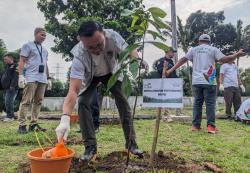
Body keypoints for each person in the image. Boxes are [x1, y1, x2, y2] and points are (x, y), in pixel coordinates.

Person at [55, 21, 147, 161]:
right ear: (82, 42)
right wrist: (65, 118)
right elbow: (73, 89)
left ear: (104, 34)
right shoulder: (79, 54)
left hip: (111, 72)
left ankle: (131, 144)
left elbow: (129, 50)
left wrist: (138, 60)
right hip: (90, 76)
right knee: (83, 101)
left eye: (99, 44)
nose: (96, 50)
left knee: (122, 101)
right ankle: (90, 148)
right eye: (90, 47)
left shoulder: (113, 36)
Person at [167, 34, 245, 134]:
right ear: (209, 42)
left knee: (197, 103)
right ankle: (211, 127)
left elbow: (183, 60)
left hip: (196, 81)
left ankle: (195, 126)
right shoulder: (213, 49)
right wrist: (237, 54)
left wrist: (170, 70)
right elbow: (224, 59)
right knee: (210, 104)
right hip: (209, 81)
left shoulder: (193, 50)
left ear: (199, 41)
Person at [17, 27, 52, 134]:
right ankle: (22, 125)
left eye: (45, 35)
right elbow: (22, 60)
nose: (44, 37)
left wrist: (49, 78)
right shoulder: (27, 46)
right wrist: (21, 75)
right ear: (35, 34)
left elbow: (45, 64)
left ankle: (33, 123)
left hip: (42, 79)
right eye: (42, 35)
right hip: (31, 77)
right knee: (26, 101)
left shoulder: (45, 50)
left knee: (38, 101)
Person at [1, 53, 19, 122]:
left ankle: (10, 117)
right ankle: (9, 115)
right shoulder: (7, 67)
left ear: (11, 59)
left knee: (9, 102)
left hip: (12, 88)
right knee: (6, 102)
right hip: (5, 88)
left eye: (5, 59)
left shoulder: (15, 66)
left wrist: (12, 85)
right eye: (4, 59)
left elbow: (15, 76)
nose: (4, 60)